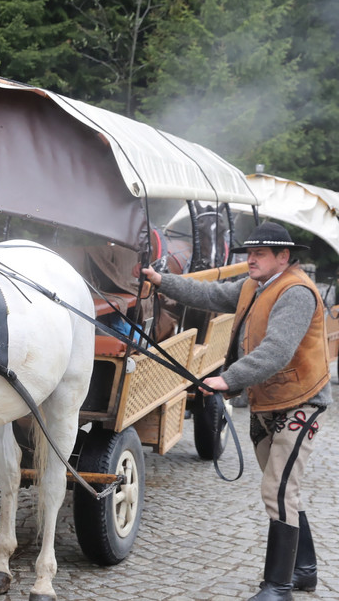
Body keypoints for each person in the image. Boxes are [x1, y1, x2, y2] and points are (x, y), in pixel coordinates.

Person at [141, 221, 330, 601]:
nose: (250, 260)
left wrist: (227, 379)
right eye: (249, 253)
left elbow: (276, 350)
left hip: (300, 402)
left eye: (259, 254)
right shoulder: (252, 286)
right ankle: (304, 570)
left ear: (284, 257)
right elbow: (210, 294)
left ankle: (278, 588)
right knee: (285, 492)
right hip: (267, 403)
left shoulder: (295, 292)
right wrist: (161, 282)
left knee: (277, 491)